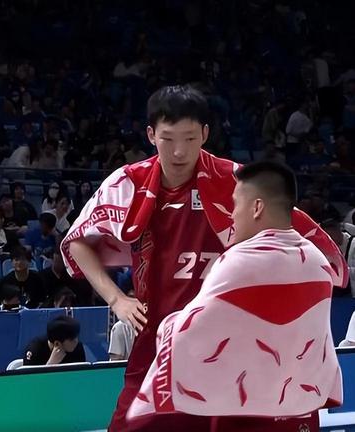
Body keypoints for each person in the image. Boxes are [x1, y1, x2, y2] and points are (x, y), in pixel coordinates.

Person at [61, 85, 347, 432]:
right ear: (151, 135)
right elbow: (78, 242)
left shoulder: (238, 181)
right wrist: (117, 299)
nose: (179, 151)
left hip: (237, 344)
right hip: (160, 340)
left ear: (205, 134)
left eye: (190, 138)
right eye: (168, 139)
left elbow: (299, 241)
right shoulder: (129, 182)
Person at [127, 161, 344, 431]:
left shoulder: (239, 261)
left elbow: (187, 333)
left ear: (257, 207)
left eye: (235, 205)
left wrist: (166, 325)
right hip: (300, 409)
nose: (231, 215)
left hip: (247, 411)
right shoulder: (318, 261)